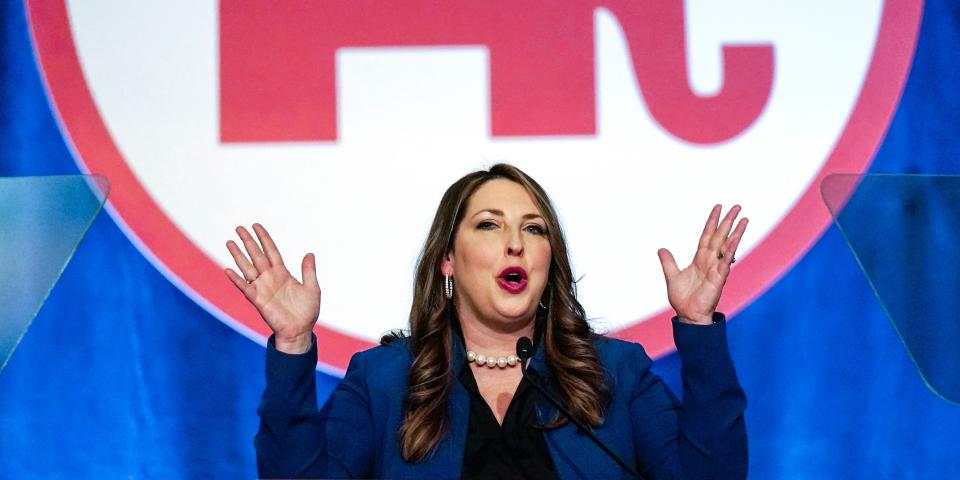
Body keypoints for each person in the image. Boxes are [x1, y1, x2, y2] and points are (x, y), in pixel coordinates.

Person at [225, 164, 749, 479]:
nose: (515, 243)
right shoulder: (384, 381)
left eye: (534, 229)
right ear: (447, 260)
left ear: (549, 260)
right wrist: (293, 345)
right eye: (489, 225)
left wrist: (699, 326)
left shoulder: (615, 372)